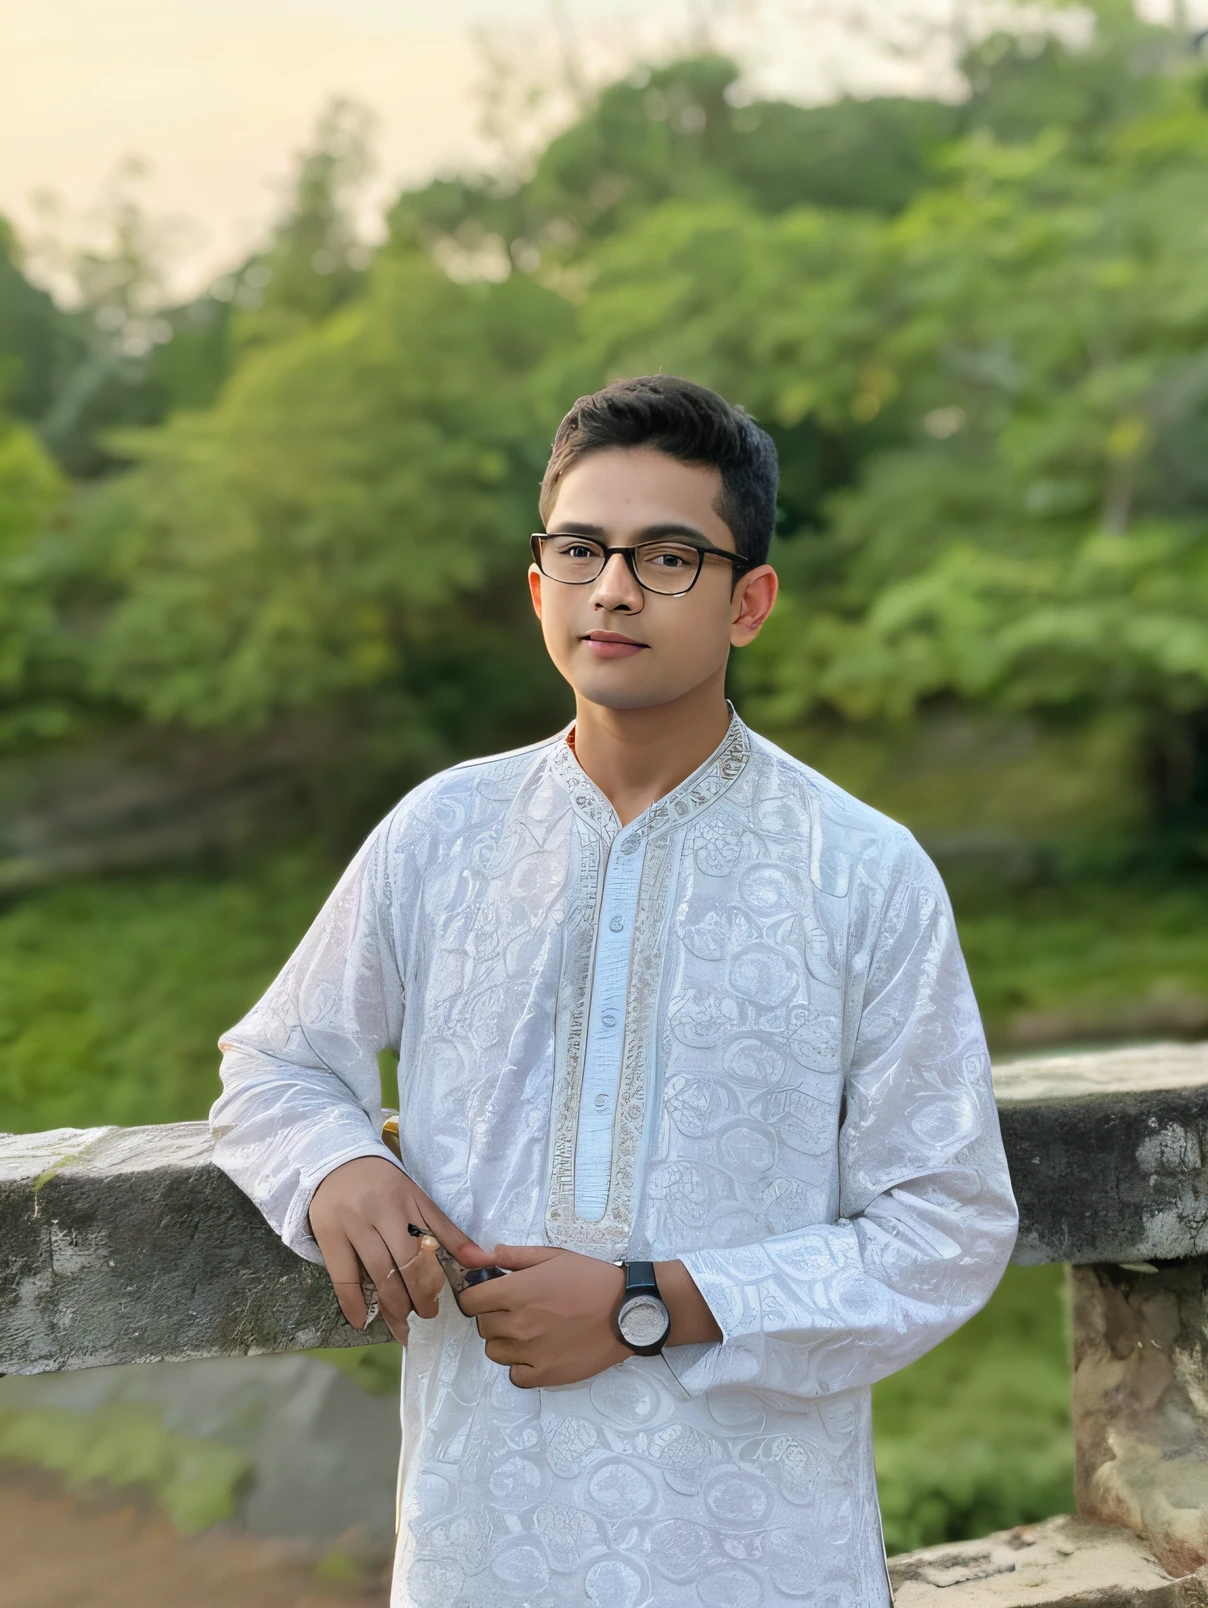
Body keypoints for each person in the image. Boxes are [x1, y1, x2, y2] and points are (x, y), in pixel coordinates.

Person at [210, 375, 1018, 1608]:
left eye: (669, 555)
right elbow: (273, 1061)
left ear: (749, 600)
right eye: (581, 548)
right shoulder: (442, 834)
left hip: (760, 1551)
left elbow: (947, 1226)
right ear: (539, 581)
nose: (615, 587)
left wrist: (649, 1304)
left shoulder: (858, 871)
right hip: (482, 1535)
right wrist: (336, 1160)